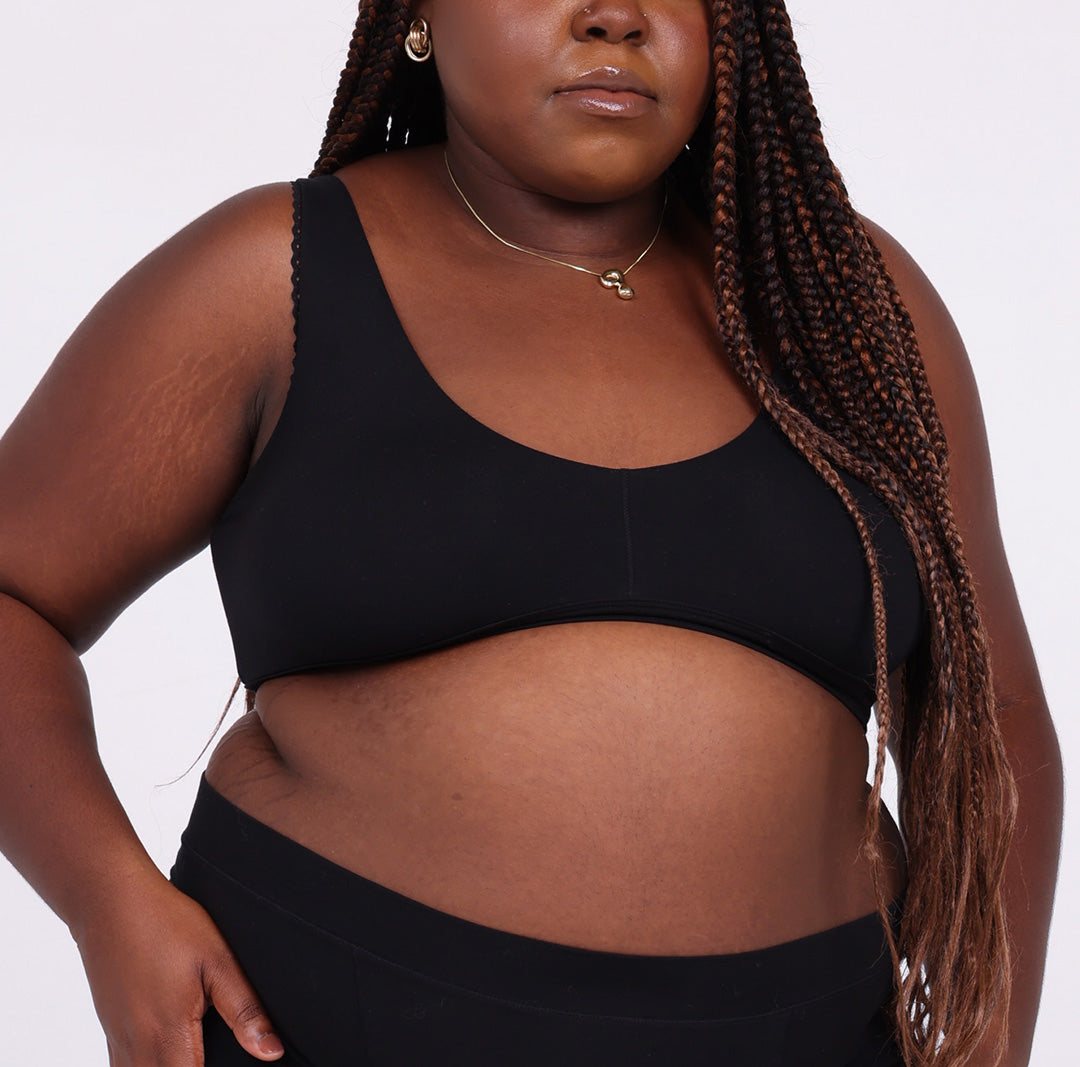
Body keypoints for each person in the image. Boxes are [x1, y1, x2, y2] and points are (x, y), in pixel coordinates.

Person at [0, 1, 1062, 1065]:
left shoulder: (847, 304)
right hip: (323, 1023)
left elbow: (997, 707)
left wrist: (990, 1038)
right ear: (421, 15)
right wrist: (108, 904)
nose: (616, 16)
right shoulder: (272, 278)